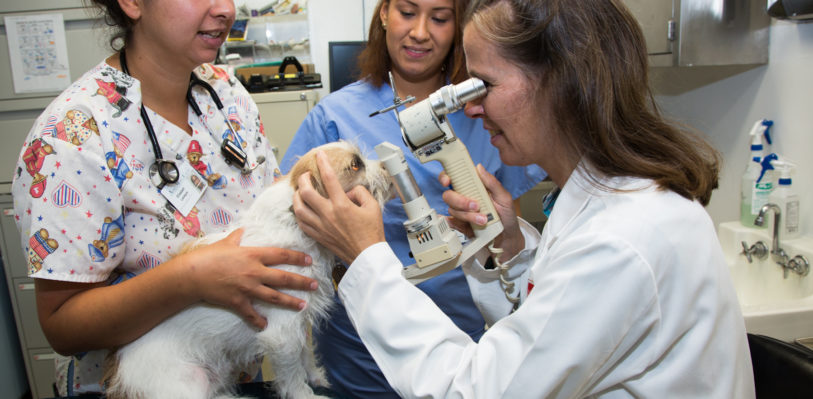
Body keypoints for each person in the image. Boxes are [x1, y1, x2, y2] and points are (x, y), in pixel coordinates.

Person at [292, 0, 755, 397]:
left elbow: (475, 389)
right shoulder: (609, 202)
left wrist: (367, 257)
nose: (469, 109)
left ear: (560, 82)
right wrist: (510, 248)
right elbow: (556, 322)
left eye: (483, 86)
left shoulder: (622, 241)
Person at [12, 0, 317, 395]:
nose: (225, 9)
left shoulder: (226, 93)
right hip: (137, 384)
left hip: (233, 377)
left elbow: (269, 207)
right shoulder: (73, 134)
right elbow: (63, 327)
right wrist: (190, 278)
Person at [280, 0, 546, 396]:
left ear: (459, 27)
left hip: (459, 346)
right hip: (358, 354)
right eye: (407, 12)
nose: (421, 32)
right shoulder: (336, 116)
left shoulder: (482, 114)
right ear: (384, 13)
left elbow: (507, 246)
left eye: (440, 18)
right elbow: (295, 226)